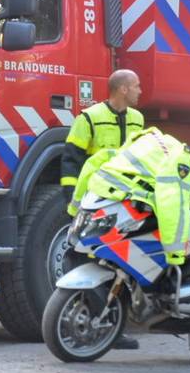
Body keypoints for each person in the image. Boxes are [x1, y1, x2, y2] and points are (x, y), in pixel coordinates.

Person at [59, 68, 145, 349]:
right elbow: (71, 161)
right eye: (136, 86)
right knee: (87, 259)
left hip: (125, 203)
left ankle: (114, 329)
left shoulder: (137, 119)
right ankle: (86, 319)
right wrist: (72, 199)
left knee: (120, 264)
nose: (140, 91)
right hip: (97, 203)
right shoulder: (89, 118)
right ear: (122, 89)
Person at [70, 127, 190, 265]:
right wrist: (175, 254)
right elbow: (172, 200)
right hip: (124, 196)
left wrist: (74, 207)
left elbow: (93, 162)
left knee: (102, 244)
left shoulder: (142, 142)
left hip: (98, 190)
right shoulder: (180, 155)